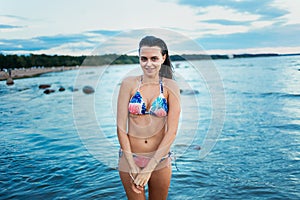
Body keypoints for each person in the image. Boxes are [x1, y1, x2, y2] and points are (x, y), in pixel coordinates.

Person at [117, 35, 181, 200]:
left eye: (154, 58)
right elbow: (121, 127)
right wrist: (131, 164)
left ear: (163, 58)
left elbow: (172, 131)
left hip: (159, 160)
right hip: (130, 158)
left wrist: (149, 168)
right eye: (143, 58)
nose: (148, 63)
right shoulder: (128, 84)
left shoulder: (170, 86)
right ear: (139, 58)